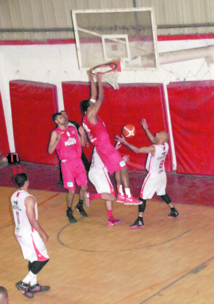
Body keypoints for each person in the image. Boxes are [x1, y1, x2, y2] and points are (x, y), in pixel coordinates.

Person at [80, 72, 141, 206]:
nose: (94, 103)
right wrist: (100, 80)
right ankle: (128, 196)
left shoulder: (85, 117)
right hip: (104, 146)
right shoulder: (91, 115)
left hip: (102, 147)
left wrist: (92, 78)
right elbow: (100, 98)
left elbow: (93, 96)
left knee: (119, 168)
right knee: (123, 167)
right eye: (92, 104)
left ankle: (120, 195)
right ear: (88, 108)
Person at [115, 118, 179, 229]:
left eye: (158, 133)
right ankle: (173, 210)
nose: (157, 133)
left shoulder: (153, 148)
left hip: (153, 175)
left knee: (142, 196)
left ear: (160, 138)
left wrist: (125, 142)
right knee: (162, 192)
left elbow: (137, 150)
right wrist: (146, 129)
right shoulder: (165, 145)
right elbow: (155, 140)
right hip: (162, 174)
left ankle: (140, 219)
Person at [11, 173, 50, 299]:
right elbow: (32, 220)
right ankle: (23, 283)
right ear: (27, 182)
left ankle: (34, 286)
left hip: (18, 232)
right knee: (43, 258)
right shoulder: (29, 199)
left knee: (33, 258)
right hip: (29, 233)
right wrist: (43, 233)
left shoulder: (13, 196)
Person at [48, 112, 88, 223]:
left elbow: (83, 143)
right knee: (71, 190)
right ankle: (69, 211)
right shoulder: (55, 133)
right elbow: (50, 150)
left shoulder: (72, 128)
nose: (63, 118)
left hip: (78, 162)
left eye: (63, 116)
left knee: (84, 187)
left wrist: (82, 134)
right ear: (56, 121)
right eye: (60, 117)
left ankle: (80, 205)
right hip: (67, 165)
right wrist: (57, 140)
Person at [85, 143, 129, 226]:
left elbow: (107, 155)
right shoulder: (102, 146)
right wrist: (122, 160)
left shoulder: (97, 146)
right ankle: (91, 196)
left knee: (108, 195)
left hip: (93, 172)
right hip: (100, 173)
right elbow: (111, 163)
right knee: (112, 197)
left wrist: (114, 149)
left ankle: (110, 219)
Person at [56, 111, 90, 186]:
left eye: (65, 115)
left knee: (84, 162)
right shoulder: (58, 129)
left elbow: (81, 132)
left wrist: (84, 139)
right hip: (67, 152)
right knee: (64, 166)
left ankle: (89, 176)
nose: (64, 117)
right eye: (62, 116)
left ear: (67, 116)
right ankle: (63, 180)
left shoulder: (73, 124)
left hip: (76, 148)